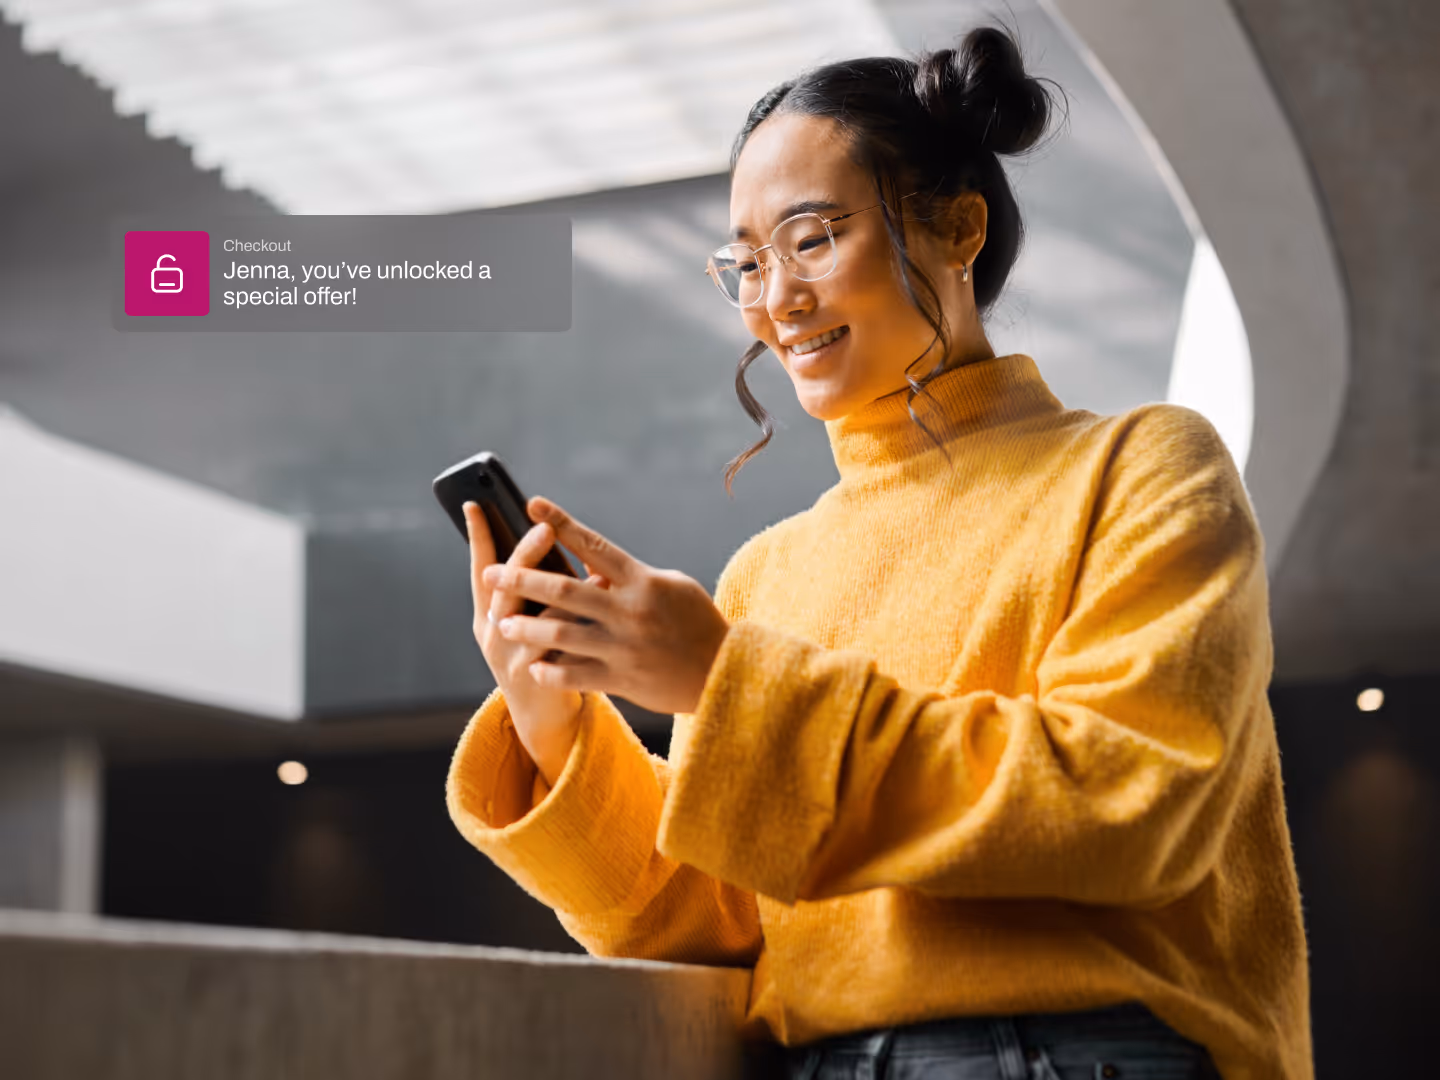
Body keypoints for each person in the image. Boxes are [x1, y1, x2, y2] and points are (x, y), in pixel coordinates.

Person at [446, 24, 1313, 1080]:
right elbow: (718, 924)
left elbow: (1126, 803)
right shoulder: (765, 574)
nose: (776, 299)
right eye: (749, 262)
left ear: (958, 228)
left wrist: (723, 680)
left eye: (813, 239)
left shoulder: (1145, 466)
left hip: (1085, 1054)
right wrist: (554, 722)